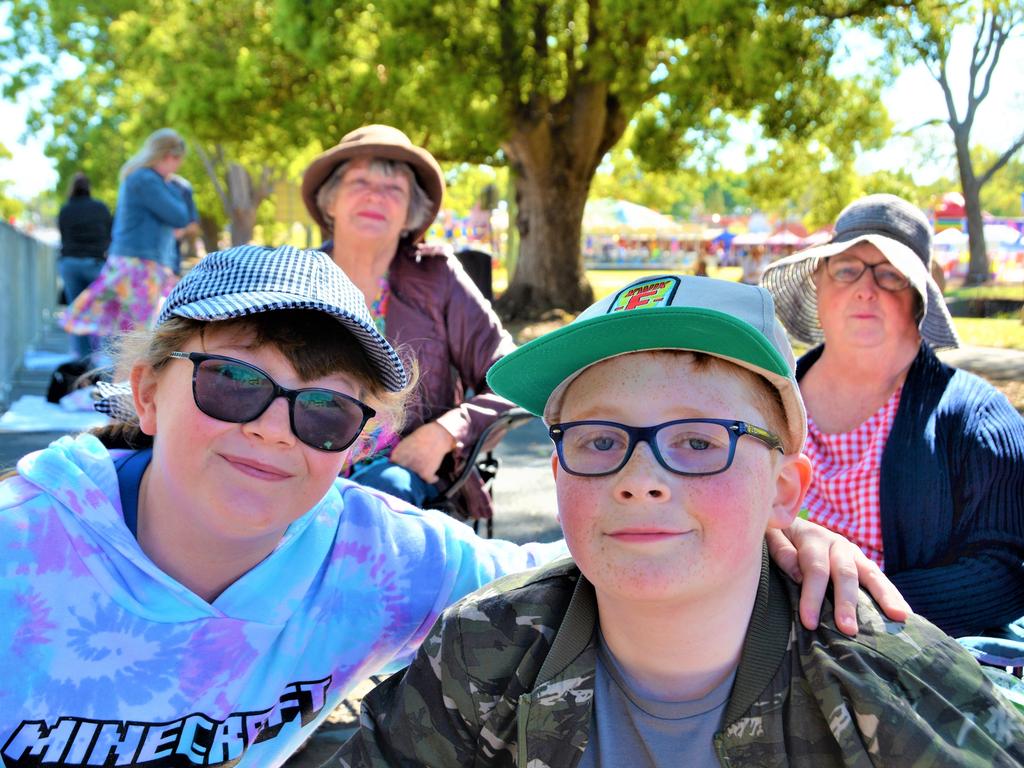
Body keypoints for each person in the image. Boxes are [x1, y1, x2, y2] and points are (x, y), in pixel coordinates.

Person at [0, 248, 898, 767]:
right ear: (146, 394)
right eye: (233, 383)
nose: (274, 431)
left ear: (357, 445)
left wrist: (775, 532)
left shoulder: (377, 557)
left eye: (324, 410)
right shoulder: (17, 554)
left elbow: (602, 557)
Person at [330, 274, 1024, 767]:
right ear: (557, 470)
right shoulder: (484, 649)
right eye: (600, 440)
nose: (640, 480)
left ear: (785, 491)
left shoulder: (893, 688)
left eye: (699, 442)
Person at [760, 193, 1024, 637]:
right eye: (846, 269)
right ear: (819, 287)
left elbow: (1007, 571)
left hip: (907, 666)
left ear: (919, 300)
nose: (866, 288)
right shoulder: (757, 404)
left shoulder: (977, 421)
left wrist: (852, 609)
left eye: (890, 275)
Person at [301, 124, 515, 516]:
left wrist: (446, 432)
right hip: (300, 459)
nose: (374, 196)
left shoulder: (437, 277)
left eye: (393, 189)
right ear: (330, 202)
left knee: (380, 499)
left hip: (397, 474)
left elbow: (514, 377)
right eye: (359, 182)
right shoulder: (296, 278)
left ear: (409, 215)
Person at [61, 128, 192, 352]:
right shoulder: (146, 179)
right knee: (136, 337)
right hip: (139, 265)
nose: (178, 165)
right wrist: (176, 187)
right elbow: (180, 216)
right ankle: (119, 383)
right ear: (168, 156)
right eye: (178, 159)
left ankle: (114, 381)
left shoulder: (144, 178)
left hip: (138, 263)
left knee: (130, 334)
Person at [57, 171, 113, 360]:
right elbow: (110, 234)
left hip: (70, 263)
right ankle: (104, 358)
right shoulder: (100, 208)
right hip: (95, 263)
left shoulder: (66, 209)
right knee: (102, 311)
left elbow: (63, 235)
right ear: (89, 187)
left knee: (77, 311)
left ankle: (81, 359)